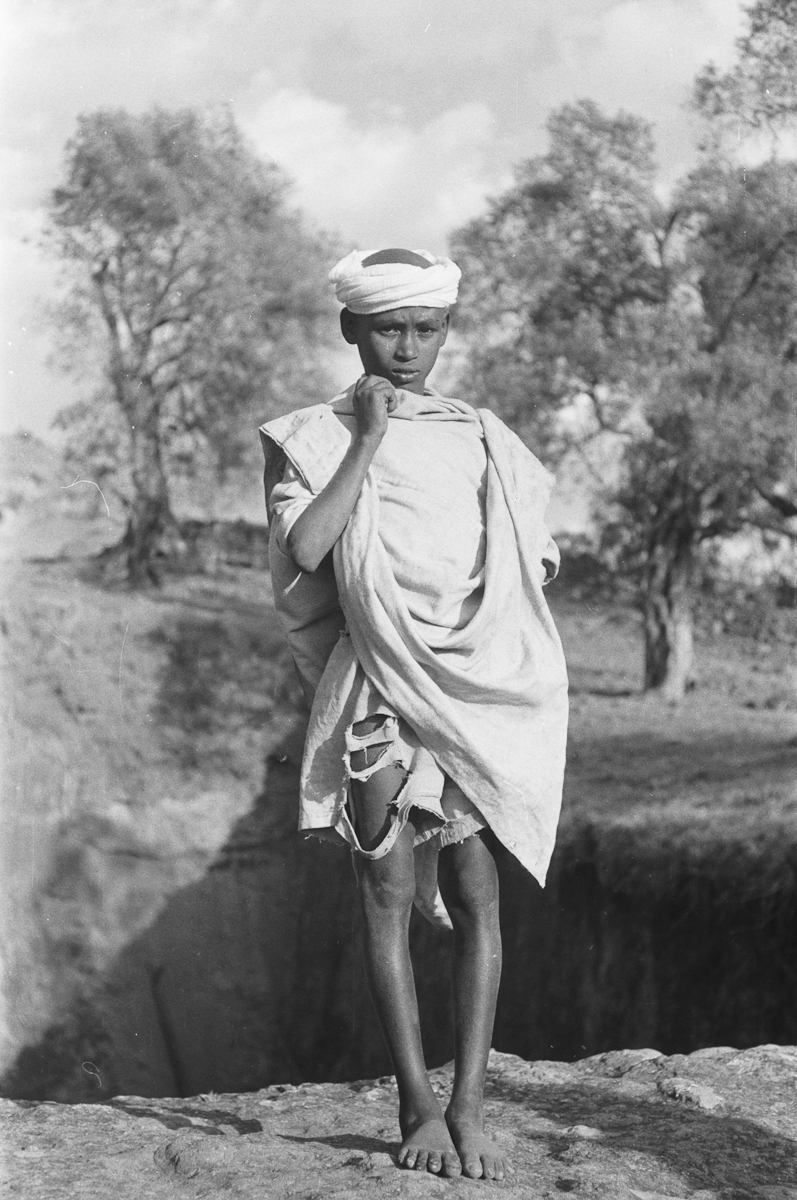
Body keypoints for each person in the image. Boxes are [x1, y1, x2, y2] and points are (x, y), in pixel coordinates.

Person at [260, 247, 568, 1181]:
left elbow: (531, 557)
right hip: (376, 695)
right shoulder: (307, 435)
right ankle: (414, 1103)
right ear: (350, 327)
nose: (407, 346)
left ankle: (470, 1103)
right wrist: (365, 438)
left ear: (445, 330)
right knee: (387, 895)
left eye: (425, 329)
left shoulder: (480, 434)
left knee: (478, 898)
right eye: (388, 327)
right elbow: (310, 548)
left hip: (472, 687)